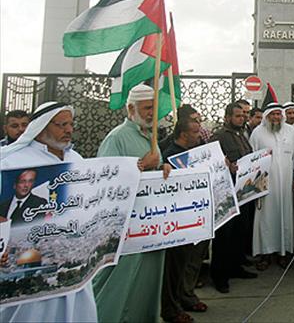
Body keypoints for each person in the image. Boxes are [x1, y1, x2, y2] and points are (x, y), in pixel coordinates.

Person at [0, 102, 98, 323]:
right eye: (61, 124)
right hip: (26, 267)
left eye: (71, 124)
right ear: (42, 127)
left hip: (74, 264)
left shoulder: (76, 160)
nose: (69, 130)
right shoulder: (12, 162)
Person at [93, 84, 172, 323]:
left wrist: (163, 168)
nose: (152, 113)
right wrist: (142, 165)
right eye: (148, 108)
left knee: (148, 278)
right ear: (131, 108)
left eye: (154, 108)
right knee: (119, 281)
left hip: (152, 222)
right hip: (126, 225)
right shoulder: (116, 137)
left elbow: (155, 169)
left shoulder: (151, 136)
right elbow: (105, 178)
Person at [160, 118, 207, 323]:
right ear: (183, 134)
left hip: (195, 216)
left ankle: (185, 298)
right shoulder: (170, 155)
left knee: (191, 261)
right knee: (175, 267)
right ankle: (172, 309)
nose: (199, 135)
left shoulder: (196, 151)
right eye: (196, 132)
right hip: (176, 221)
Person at [249, 103, 294, 270]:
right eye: (272, 115)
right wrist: (254, 182)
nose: (276, 118)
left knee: (285, 216)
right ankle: (265, 254)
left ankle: (283, 253)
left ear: (282, 116)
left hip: (286, 183)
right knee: (265, 219)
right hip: (264, 183)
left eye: (278, 115)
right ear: (267, 116)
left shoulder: (291, 131)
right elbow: (251, 157)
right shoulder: (258, 132)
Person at [210, 101, 257, 293]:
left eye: (243, 116)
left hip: (243, 192)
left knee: (240, 232)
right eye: (238, 116)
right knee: (224, 237)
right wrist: (226, 166)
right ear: (228, 117)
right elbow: (212, 163)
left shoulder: (242, 134)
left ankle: (235, 268)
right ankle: (219, 276)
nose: (242, 118)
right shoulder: (219, 137)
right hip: (226, 194)